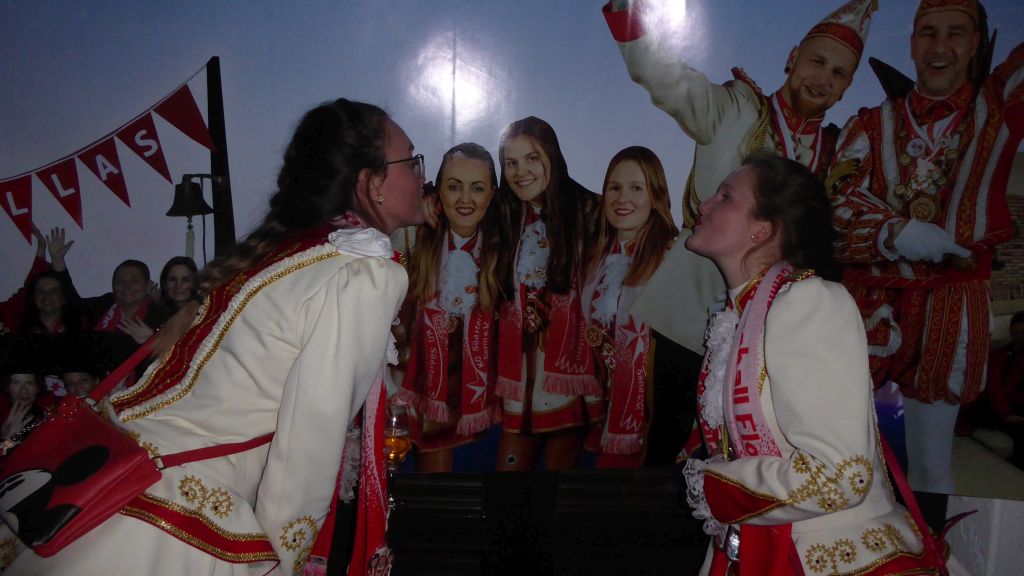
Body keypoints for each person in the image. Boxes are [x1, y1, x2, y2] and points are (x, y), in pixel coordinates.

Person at [1, 98, 426, 575]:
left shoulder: (274, 254)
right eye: (411, 160)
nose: (420, 175)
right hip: (176, 521)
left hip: (102, 488)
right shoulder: (364, 272)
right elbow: (309, 442)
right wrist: (279, 562)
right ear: (372, 183)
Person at [601, 0, 877, 418]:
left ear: (847, 86)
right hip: (689, 320)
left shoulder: (835, 152)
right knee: (668, 443)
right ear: (792, 58)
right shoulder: (738, 110)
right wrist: (629, 10)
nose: (824, 79)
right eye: (817, 62)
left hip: (770, 335)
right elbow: (668, 79)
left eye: (838, 73)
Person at [681, 154, 932, 574]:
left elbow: (840, 476)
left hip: (827, 555)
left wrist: (713, 484)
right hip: (754, 546)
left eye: (724, 197)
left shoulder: (808, 301)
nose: (703, 205)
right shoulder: (737, 318)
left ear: (763, 230)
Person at [831, 0, 1024, 493]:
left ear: (976, 43)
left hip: (951, 305)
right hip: (869, 301)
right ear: (912, 44)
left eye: (956, 33)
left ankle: (927, 540)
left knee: (931, 465)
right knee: (844, 454)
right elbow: (834, 203)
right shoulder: (870, 124)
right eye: (928, 33)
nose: (940, 47)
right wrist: (891, 231)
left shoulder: (1000, 107)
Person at [493, 116, 602, 471]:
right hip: (519, 372)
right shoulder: (505, 214)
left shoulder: (591, 211)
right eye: (511, 162)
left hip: (568, 368)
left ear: (552, 157)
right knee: (508, 476)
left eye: (532, 158)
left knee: (558, 481)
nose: (520, 172)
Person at [399, 143, 505, 473]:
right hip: (417, 392)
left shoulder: (507, 249)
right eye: (454, 187)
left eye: (478, 188)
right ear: (440, 190)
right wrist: (422, 198)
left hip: (485, 405)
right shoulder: (412, 238)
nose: (465, 199)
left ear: (492, 195)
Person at [581, 146, 676, 468]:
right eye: (615, 188)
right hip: (604, 414)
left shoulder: (672, 257)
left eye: (636, 188)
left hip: (654, 421)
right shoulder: (596, 260)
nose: (623, 199)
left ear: (656, 196)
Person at [958, 311, 1024, 468]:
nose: (1020, 337)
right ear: (1011, 334)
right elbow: (997, 390)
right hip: (990, 405)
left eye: (1023, 332)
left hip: (1015, 402)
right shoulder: (1001, 356)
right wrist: (1007, 415)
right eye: (1016, 333)